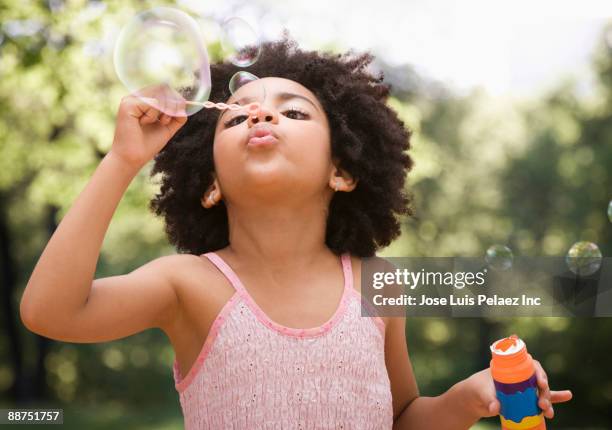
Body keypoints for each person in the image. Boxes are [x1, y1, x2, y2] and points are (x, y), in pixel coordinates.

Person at [20, 36, 572, 429]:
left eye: (295, 113)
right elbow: (50, 311)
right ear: (209, 184)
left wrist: (464, 399)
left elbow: (400, 419)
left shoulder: (377, 284)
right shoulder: (187, 284)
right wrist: (123, 158)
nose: (261, 118)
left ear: (343, 170)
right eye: (236, 118)